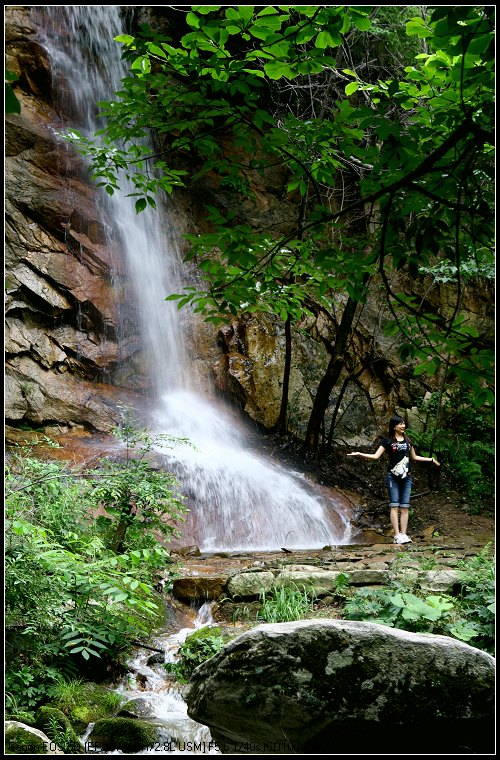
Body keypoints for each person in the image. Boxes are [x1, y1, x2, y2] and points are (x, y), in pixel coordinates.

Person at [347, 414, 440, 544]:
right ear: (394, 426)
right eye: (400, 424)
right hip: (393, 477)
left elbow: (414, 457)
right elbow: (376, 456)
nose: (403, 426)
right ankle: (397, 535)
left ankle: (404, 534)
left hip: (406, 478)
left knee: (405, 507)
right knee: (394, 506)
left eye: (404, 423)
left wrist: (430, 459)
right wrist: (360, 454)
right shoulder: (387, 441)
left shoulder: (408, 440)